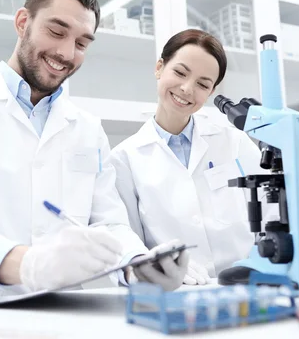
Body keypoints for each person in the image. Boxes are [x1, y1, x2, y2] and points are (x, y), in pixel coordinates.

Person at [0, 0, 188, 304]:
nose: (67, 52)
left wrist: (137, 265)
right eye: (56, 31)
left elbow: (109, 224)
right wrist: (28, 265)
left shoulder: (87, 128)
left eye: (82, 43)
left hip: (58, 313)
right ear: (23, 22)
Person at [110, 29, 277, 285]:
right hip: (177, 292)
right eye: (180, 72)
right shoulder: (125, 158)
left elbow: (272, 212)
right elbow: (126, 240)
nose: (187, 89)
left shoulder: (235, 143)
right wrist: (147, 267)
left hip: (246, 286)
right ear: (159, 68)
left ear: (211, 92)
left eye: (202, 84)